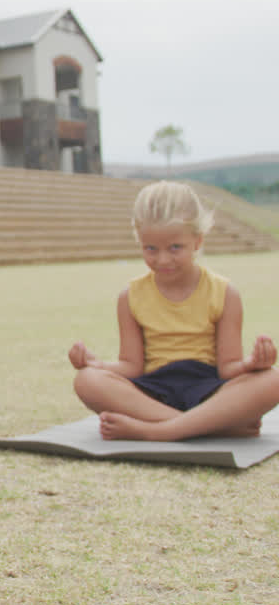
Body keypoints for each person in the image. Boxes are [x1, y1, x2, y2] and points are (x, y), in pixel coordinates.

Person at [70, 181, 278, 441]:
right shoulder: (130, 296)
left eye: (175, 248)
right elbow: (132, 366)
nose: (163, 260)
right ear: (140, 241)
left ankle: (156, 431)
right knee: (87, 380)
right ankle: (212, 426)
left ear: (197, 241)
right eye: (151, 249)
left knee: (272, 380)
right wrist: (96, 364)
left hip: (209, 389)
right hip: (152, 391)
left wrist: (253, 364)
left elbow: (228, 369)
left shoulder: (225, 293)